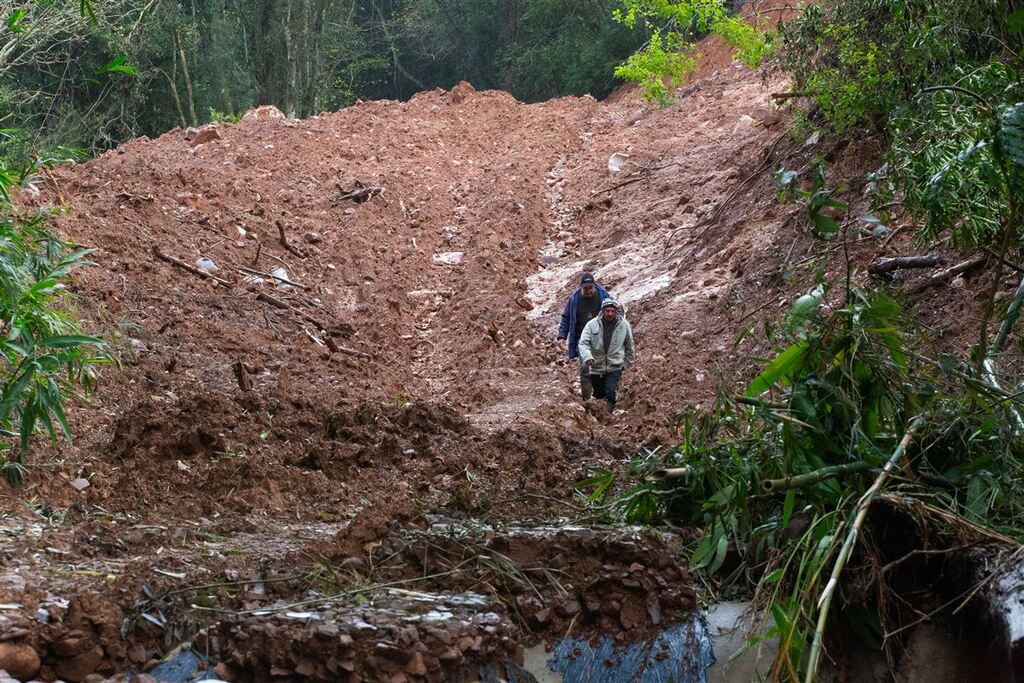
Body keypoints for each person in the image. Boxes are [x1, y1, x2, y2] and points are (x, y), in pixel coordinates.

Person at [577, 297, 634, 414]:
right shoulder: (591, 325)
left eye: (613, 311)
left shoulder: (624, 325)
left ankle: (609, 416)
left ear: (616, 312)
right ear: (603, 311)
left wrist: (626, 364)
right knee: (598, 394)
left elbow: (629, 346)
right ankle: (599, 416)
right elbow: (583, 343)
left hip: (615, 365)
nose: (610, 314)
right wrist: (587, 357)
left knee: (610, 391)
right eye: (608, 311)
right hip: (596, 366)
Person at [557, 273, 609, 399]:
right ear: (580, 286)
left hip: (601, 337)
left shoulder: (603, 296)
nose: (589, 291)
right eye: (586, 288)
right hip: (582, 339)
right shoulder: (574, 300)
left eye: (591, 287)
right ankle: (587, 399)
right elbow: (566, 318)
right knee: (586, 368)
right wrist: (562, 336)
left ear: (594, 285)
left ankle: (603, 397)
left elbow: (615, 311)